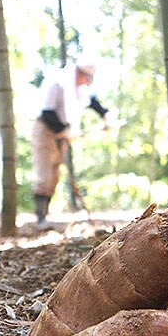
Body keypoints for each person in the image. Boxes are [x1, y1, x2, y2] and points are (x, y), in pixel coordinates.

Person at [31, 60, 110, 230]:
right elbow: (47, 113)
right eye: (86, 78)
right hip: (45, 131)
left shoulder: (78, 91)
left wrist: (105, 114)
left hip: (61, 134)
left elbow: (92, 101)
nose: (86, 82)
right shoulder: (57, 85)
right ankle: (40, 219)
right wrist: (65, 131)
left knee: (54, 176)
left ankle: (44, 217)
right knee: (43, 175)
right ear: (79, 73)